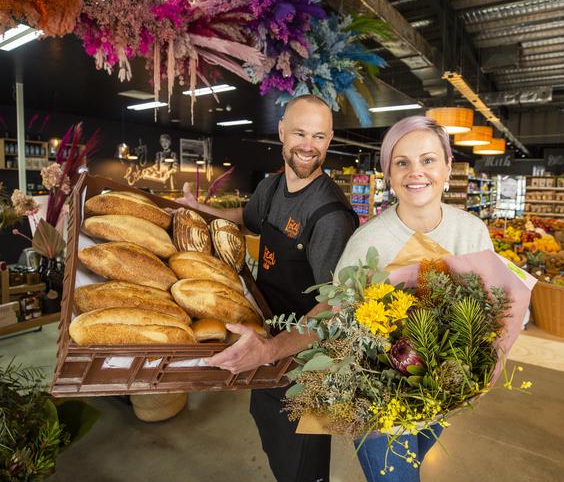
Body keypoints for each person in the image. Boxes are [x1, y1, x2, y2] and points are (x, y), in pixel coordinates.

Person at [176, 94, 358, 482]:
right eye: (299, 132)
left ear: (329, 140)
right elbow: (243, 217)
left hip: (306, 371)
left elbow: (334, 309)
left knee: (303, 467)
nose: (309, 145)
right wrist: (197, 208)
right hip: (267, 349)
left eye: (320, 136)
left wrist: (272, 349)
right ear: (280, 132)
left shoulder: (331, 217)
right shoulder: (273, 187)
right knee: (275, 448)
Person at [333, 116, 493, 482]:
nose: (415, 172)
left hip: (442, 396)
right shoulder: (367, 241)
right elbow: (339, 319)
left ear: (448, 166)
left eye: (428, 159)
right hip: (377, 400)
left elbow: (492, 310)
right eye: (401, 162)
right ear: (388, 173)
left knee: (412, 467)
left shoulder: (471, 231)